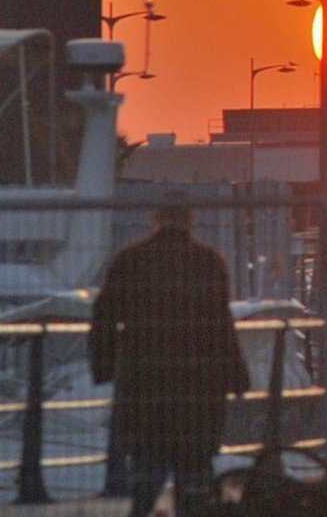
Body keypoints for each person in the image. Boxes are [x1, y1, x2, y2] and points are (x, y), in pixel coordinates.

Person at [89, 197, 250, 517]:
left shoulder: (129, 260)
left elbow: (104, 316)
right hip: (198, 382)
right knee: (194, 470)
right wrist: (236, 374)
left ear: (157, 219)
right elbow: (221, 324)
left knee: (148, 466)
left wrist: (105, 365)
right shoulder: (208, 262)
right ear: (191, 220)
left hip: (144, 377)